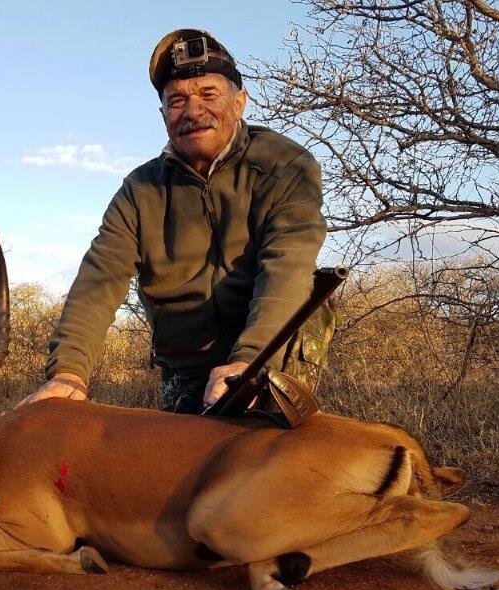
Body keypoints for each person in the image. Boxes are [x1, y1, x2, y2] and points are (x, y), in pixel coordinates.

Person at [19, 28, 335, 414]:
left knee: (263, 454)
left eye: (208, 95)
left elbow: (286, 267)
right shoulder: (140, 189)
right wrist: (67, 373)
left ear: (239, 103)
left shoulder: (286, 166)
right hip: (186, 361)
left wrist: (250, 361)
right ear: (163, 114)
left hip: (273, 349)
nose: (193, 111)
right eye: (177, 100)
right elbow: (99, 279)